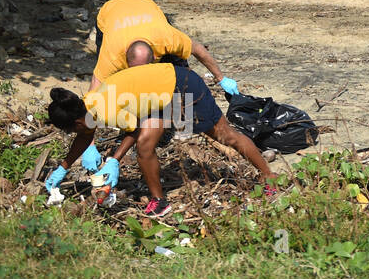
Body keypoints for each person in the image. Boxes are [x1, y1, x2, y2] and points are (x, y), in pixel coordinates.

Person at [46, 62, 277, 219]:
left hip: (180, 85)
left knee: (225, 135)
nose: (75, 134)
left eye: (71, 131)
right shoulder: (87, 107)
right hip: (157, 96)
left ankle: (269, 176)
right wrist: (63, 168)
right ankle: (160, 201)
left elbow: (133, 129)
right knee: (145, 147)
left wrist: (114, 161)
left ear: (77, 122)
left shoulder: (104, 109)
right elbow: (85, 136)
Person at [89, 0, 239, 96]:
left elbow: (198, 49)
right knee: (113, 83)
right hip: (109, 12)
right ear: (125, 60)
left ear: (156, 56)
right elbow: (93, 94)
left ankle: (182, 113)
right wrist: (89, 141)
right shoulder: (111, 56)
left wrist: (221, 78)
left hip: (146, 5)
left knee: (179, 69)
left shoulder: (167, 38)